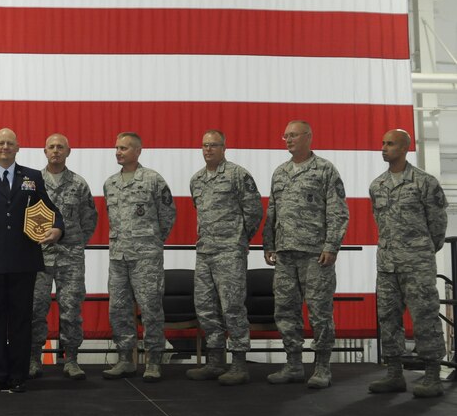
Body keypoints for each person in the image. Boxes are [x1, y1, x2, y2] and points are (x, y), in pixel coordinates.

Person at [0, 127, 64, 393]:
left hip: (24, 261)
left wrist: (57, 228)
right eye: (0, 143)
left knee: (21, 320)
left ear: (18, 147)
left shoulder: (31, 177)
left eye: (10, 143)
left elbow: (49, 208)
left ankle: (19, 375)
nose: (5, 147)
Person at [262, 120, 349, 389]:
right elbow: (272, 211)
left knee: (320, 311)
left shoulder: (324, 170)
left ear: (308, 137)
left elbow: (338, 211)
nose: (287, 139)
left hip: (315, 254)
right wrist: (268, 244)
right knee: (285, 310)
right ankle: (293, 365)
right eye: (285, 135)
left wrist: (331, 245)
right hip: (285, 254)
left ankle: (322, 367)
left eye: (293, 135)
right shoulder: (280, 172)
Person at [368, 129, 449, 398]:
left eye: (390, 143)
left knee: (425, 317)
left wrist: (422, 251)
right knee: (388, 318)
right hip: (387, 264)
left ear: (404, 148)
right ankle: (394, 373)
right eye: (383, 143)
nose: (384, 148)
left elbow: (437, 225)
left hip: (417, 263)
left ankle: (432, 375)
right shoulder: (377, 185)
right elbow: (380, 223)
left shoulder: (424, 182)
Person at [186, 130, 263, 385]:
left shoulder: (237, 175)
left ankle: (239, 364)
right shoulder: (196, 179)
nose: (208, 149)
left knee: (232, 307)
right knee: (206, 308)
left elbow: (254, 210)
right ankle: (215, 362)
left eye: (214, 145)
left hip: (230, 252)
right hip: (204, 252)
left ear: (224, 147)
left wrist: (239, 240)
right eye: (205, 145)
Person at [102, 132, 176, 382]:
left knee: (151, 308)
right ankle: (125, 359)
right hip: (118, 256)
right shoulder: (110, 183)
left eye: (123, 148)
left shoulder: (153, 180)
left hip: (146, 257)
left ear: (138, 151)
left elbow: (168, 215)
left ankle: (154, 361)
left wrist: (152, 241)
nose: (118, 152)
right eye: (116, 148)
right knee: (119, 309)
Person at [30, 134, 98, 380]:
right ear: (44, 151)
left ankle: (71, 359)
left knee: (71, 309)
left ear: (68, 152)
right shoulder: (32, 182)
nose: (56, 151)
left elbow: (90, 219)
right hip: (38, 258)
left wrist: (73, 242)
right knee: (36, 309)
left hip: (70, 258)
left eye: (60, 147)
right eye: (51, 147)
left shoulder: (78, 184)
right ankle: (33, 358)